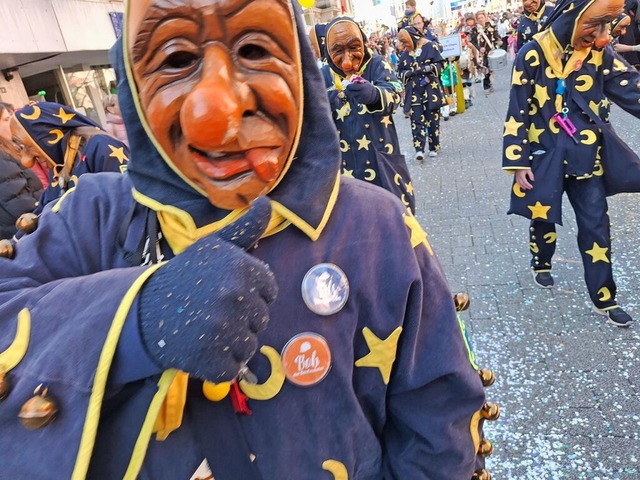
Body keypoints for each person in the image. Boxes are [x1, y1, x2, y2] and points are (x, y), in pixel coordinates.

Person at [0, 1, 496, 478]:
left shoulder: (374, 225)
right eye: (176, 60)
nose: (221, 111)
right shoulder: (92, 215)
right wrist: (134, 319)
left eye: (256, 50)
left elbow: (440, 416)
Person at [502, 0, 640, 327]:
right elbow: (516, 111)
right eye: (599, 26)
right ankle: (541, 261)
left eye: (610, 27)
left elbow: (633, 89)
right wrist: (518, 161)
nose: (605, 37)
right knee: (542, 217)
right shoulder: (531, 54)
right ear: (574, 17)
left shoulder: (599, 54)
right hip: (542, 158)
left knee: (596, 225)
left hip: (585, 158)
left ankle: (604, 298)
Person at [321, 17, 415, 213]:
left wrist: (374, 94)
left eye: (354, 47)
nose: (347, 60)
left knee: (395, 219)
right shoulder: (322, 76)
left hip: (381, 162)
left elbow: (396, 92)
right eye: (338, 51)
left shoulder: (377, 65)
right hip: (342, 171)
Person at [10, 101, 129, 216]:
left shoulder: (101, 147)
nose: (27, 161)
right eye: (21, 147)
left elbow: (124, 203)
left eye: (28, 146)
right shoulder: (59, 165)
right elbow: (47, 207)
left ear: (49, 136)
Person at [397, 26, 447, 159]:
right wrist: (409, 73)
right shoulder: (405, 54)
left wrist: (427, 68)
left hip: (430, 90)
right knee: (416, 121)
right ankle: (419, 149)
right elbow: (399, 71)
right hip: (414, 92)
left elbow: (442, 64)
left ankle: (433, 146)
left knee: (432, 120)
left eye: (405, 42)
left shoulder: (430, 47)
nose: (403, 46)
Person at [0, 102, 43, 240]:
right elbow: (20, 204)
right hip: (27, 233)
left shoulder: (8, 150)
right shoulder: (2, 159)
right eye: (6, 120)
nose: (11, 123)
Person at [468, 10, 502, 93]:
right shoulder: (474, 30)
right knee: (485, 68)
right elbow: (472, 41)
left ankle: (490, 83)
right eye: (478, 18)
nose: (480, 19)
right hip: (482, 53)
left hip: (491, 50)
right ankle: (486, 86)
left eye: (482, 17)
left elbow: (496, 34)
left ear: (485, 17)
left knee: (492, 68)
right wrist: (479, 48)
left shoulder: (490, 25)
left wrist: (498, 40)